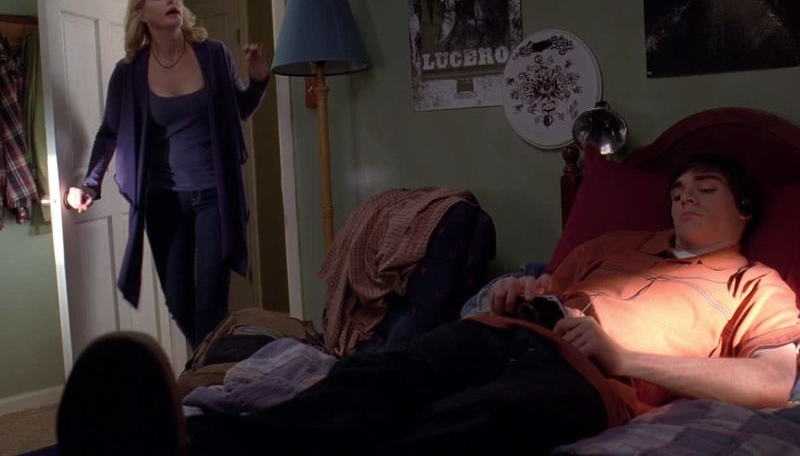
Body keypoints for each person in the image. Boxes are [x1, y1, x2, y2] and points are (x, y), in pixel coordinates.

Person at [57, 152, 800, 455]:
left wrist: (622, 354)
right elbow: (548, 286)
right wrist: (519, 290)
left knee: (463, 427)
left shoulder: (756, 285)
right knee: (367, 384)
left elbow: (773, 382)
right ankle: (185, 448)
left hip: (584, 379)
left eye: (704, 189)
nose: (682, 198)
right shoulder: (616, 244)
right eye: (677, 189)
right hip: (496, 331)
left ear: (742, 208)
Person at [63, 0, 269, 347]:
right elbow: (109, 132)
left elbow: (241, 108)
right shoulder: (129, 72)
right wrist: (90, 185)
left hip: (213, 195)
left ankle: (207, 376)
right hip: (163, 200)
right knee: (178, 301)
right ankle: (215, 364)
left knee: (211, 303)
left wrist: (257, 80)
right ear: (142, 15)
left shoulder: (214, 54)